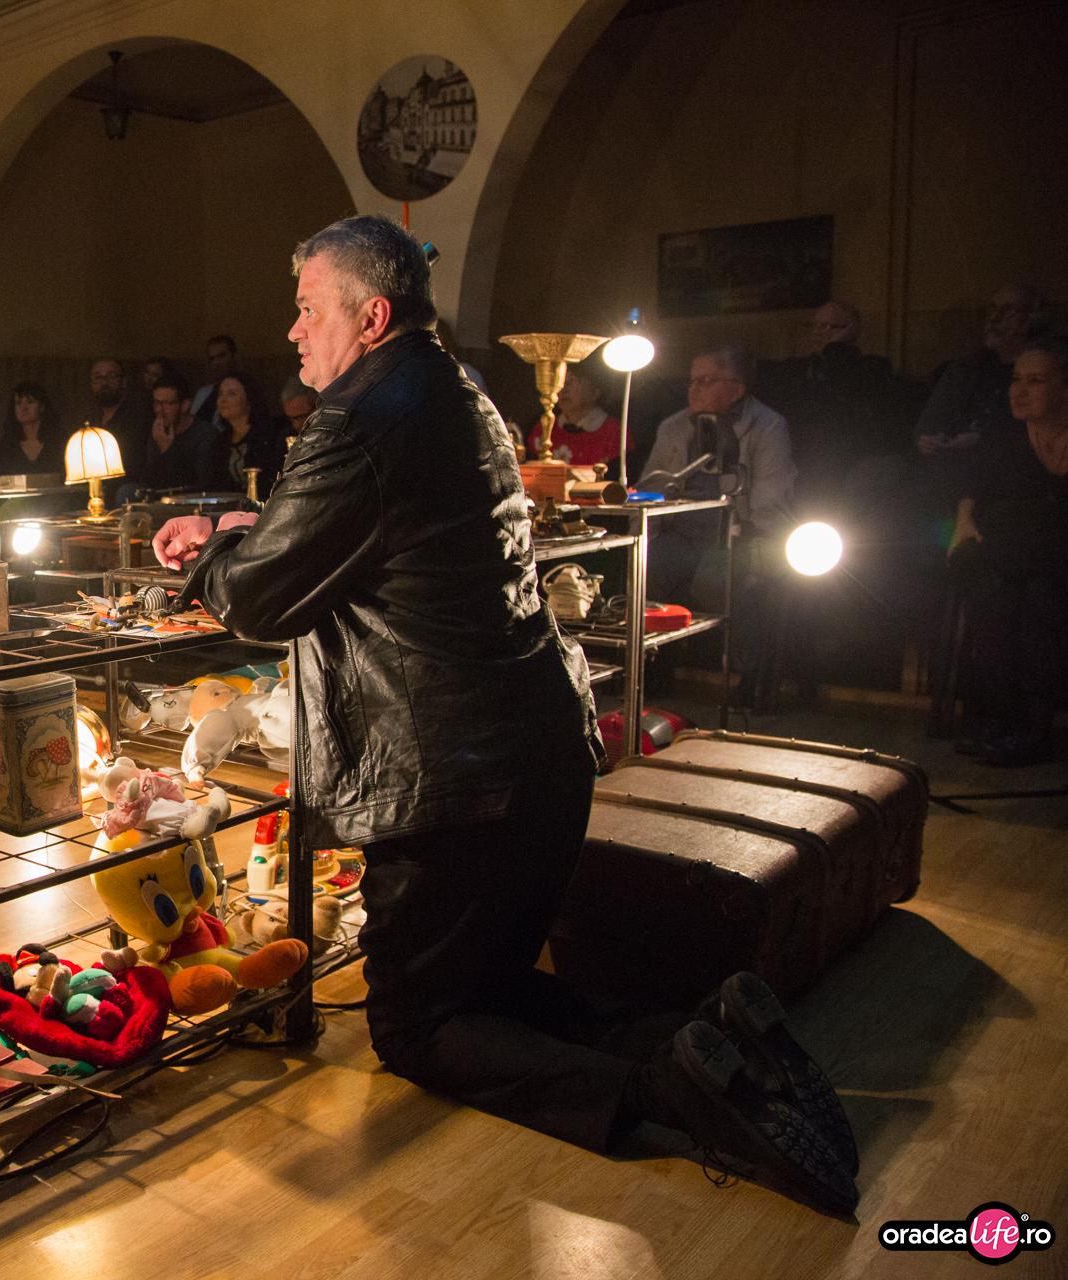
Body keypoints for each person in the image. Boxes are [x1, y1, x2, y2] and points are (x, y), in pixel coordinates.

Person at [151, 214, 856, 1215]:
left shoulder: (356, 417)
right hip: (540, 752)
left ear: (371, 315)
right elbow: (382, 532)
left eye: (309, 309)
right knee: (481, 988)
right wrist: (252, 527)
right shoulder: (454, 390)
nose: (295, 329)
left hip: (457, 779)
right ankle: (703, 1036)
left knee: (417, 1026)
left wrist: (216, 549)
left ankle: (668, 1091)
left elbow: (262, 602)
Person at [947, 335, 1068, 766]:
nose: (1018, 391)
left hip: (1062, 556)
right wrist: (964, 517)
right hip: (1011, 553)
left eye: (1035, 381)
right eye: (1015, 379)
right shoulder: (1004, 436)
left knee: (1042, 597)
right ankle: (997, 718)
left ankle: (1033, 727)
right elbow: (972, 487)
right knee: (995, 593)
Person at [641, 343, 797, 704]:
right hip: (679, 530)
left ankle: (750, 679)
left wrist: (744, 534)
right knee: (645, 568)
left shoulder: (768, 426)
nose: (694, 389)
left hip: (735, 532)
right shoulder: (674, 427)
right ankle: (652, 669)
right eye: (692, 380)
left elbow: (771, 497)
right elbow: (651, 484)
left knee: (727, 578)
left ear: (737, 388)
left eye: (706, 381)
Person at [756, 300, 921, 508]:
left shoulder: (871, 369)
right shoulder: (798, 369)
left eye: (829, 327)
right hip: (800, 456)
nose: (818, 332)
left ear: (851, 331)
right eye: (815, 326)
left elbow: (843, 390)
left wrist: (837, 348)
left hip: (843, 459)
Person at [915, 284, 1050, 461]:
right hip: (948, 466)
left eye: (1007, 311)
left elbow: (1043, 433)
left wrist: (981, 441)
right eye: (992, 309)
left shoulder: (1045, 375)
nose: (994, 318)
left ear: (1030, 320)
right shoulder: (962, 370)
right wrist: (927, 441)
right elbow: (927, 425)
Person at [203, 373, 287, 499]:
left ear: (249, 399)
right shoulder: (220, 442)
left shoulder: (269, 436)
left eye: (231, 394)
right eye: (220, 394)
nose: (223, 400)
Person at [526, 364, 621, 469]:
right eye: (561, 382)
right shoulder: (544, 427)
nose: (563, 389)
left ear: (595, 391)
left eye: (572, 381)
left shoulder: (615, 432)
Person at [135, 376, 218, 492]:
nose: (159, 410)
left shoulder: (204, 435)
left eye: (166, 404)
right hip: (159, 495)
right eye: (157, 403)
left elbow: (199, 485)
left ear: (185, 405)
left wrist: (167, 450)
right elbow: (147, 480)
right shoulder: (159, 429)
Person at [87, 355, 149, 474]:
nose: (104, 382)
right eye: (98, 377)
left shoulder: (139, 417)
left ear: (123, 382)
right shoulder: (91, 419)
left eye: (111, 376)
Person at [0, 381, 65, 476]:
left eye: (30, 402)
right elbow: (0, 479)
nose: (24, 408)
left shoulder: (58, 439)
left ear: (41, 407)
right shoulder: (7, 444)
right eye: (18, 403)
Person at [188, 333, 240, 424]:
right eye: (212, 359)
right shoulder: (203, 393)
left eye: (221, 356)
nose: (217, 363)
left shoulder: (244, 391)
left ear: (234, 356)